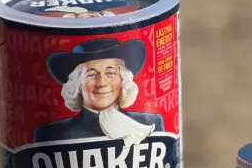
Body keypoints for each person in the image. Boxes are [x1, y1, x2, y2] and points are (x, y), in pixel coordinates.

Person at [34, 38, 163, 146]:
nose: (102, 83)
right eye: (91, 75)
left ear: (123, 79)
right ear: (77, 84)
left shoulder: (151, 123)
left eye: (110, 73)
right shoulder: (52, 134)